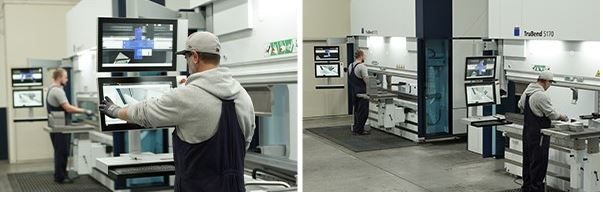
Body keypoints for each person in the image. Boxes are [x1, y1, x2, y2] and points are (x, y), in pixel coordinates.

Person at [99, 31, 255, 192]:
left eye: (186, 57)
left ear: (195, 56)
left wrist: (116, 111)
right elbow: (245, 143)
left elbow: (145, 113)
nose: (187, 62)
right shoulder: (244, 96)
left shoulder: (185, 96)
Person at [517, 71, 569, 192]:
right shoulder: (541, 95)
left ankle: (527, 188)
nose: (549, 86)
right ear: (545, 81)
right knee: (539, 163)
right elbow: (551, 114)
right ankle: (536, 190)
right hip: (539, 134)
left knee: (528, 160)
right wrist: (563, 117)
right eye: (550, 83)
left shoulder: (528, 90)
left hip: (528, 131)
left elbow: (520, 105)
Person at [46, 68, 93, 184]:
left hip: (55, 125)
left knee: (60, 151)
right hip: (60, 127)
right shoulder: (57, 91)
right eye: (65, 77)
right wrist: (85, 111)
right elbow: (68, 108)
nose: (66, 80)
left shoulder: (50, 89)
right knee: (62, 152)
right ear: (60, 77)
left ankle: (61, 175)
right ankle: (61, 177)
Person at [347, 49, 370, 135]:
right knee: (363, 112)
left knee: (356, 111)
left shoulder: (351, 65)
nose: (365, 56)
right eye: (365, 55)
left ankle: (356, 128)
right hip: (362, 93)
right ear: (361, 56)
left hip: (354, 92)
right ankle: (360, 130)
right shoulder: (362, 66)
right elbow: (366, 80)